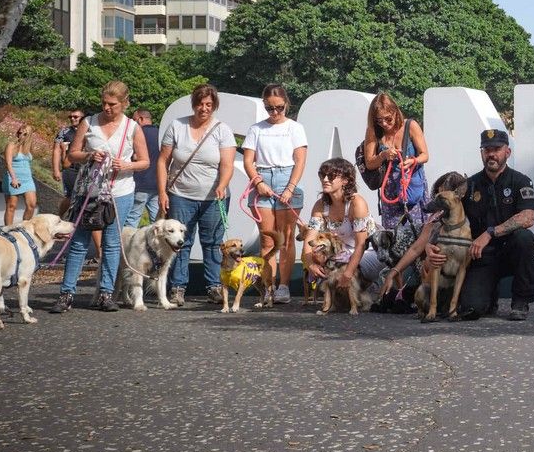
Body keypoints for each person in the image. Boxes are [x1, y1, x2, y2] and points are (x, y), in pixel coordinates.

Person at [49, 81, 150, 313]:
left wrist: (126, 164)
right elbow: (72, 155)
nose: (107, 108)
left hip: (120, 191)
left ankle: (106, 293)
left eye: (112, 104)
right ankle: (66, 293)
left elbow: (144, 161)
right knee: (79, 241)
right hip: (89, 191)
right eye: (104, 102)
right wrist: (89, 155)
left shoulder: (132, 127)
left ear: (124, 103)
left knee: (112, 242)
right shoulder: (89, 122)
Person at [425, 130, 534, 321]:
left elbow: (528, 217)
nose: (491, 154)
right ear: (481, 153)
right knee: (471, 309)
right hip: (480, 256)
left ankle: (521, 301)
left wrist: (490, 233)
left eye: (496, 149)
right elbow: (445, 215)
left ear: (507, 153)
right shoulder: (469, 185)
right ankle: (488, 297)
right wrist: (430, 244)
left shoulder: (520, 181)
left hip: (511, 251)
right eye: (486, 150)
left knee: (524, 238)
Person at [158, 84, 235, 306]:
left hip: (214, 197)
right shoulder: (177, 126)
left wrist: (222, 184)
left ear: (214, 106)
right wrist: (162, 192)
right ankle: (178, 288)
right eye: (200, 104)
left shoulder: (223, 130)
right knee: (180, 242)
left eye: (209, 105)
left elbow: (227, 164)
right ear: (193, 104)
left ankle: (213, 287)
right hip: (181, 194)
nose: (204, 109)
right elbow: (163, 161)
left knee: (212, 243)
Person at [242, 83, 308, 305]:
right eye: (270, 108)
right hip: (262, 176)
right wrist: (258, 181)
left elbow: (300, 160)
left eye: (279, 107)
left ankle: (284, 286)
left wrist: (290, 187)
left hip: (286, 176)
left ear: (286, 104)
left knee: (287, 238)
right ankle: (269, 287)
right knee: (268, 240)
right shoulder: (256, 129)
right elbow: (248, 160)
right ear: (264, 106)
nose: (275, 112)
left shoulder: (295, 127)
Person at [378, 171, 469, 300]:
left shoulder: (466, 219)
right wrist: (394, 272)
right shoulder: (434, 220)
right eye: (437, 194)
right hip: (435, 270)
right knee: (428, 261)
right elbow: (416, 249)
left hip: (462, 269)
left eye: (442, 197)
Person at [302, 158, 373, 300]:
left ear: (345, 180)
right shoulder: (320, 206)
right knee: (315, 254)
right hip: (343, 252)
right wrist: (310, 264)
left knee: (341, 266)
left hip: (368, 252)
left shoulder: (356, 203)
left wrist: (347, 273)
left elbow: (361, 244)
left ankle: (370, 287)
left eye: (331, 176)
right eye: (322, 175)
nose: (325, 179)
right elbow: (309, 240)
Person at [362, 93, 429, 230]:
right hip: (390, 191)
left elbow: (425, 155)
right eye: (379, 120)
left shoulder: (410, 125)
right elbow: (369, 163)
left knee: (418, 231)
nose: (384, 124)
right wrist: (383, 155)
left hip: (411, 187)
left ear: (395, 111)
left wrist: (413, 161)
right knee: (393, 235)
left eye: (388, 119)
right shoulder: (373, 131)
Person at [123, 108, 160, 227]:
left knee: (131, 220)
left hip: (139, 183)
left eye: (134, 120)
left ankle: (128, 245)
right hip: (157, 185)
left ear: (141, 119)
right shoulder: (162, 133)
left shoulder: (136, 133)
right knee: (157, 223)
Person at [1, 124, 38, 225]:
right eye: (19, 132)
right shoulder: (11, 145)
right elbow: (8, 163)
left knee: (32, 205)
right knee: (11, 205)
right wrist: (14, 178)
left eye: (25, 133)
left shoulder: (28, 148)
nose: (21, 135)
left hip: (27, 179)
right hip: (13, 177)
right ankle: (8, 230)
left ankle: (24, 227)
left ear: (29, 135)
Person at [53, 108, 84, 219]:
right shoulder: (64, 131)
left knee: (82, 196)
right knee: (70, 196)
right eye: (70, 116)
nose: (72, 118)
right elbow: (56, 150)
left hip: (85, 168)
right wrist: (56, 170)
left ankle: (75, 219)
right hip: (70, 168)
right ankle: (60, 217)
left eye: (75, 117)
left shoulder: (89, 131)